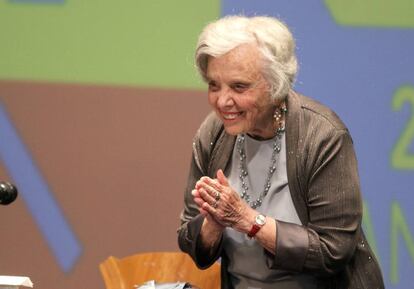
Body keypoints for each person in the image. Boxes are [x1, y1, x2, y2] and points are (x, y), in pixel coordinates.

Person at [177, 15, 384, 289]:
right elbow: (190, 241)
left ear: (276, 86)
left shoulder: (322, 136)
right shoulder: (213, 133)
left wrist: (249, 221)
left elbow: (333, 251)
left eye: (239, 86)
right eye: (214, 85)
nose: (222, 101)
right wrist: (212, 225)